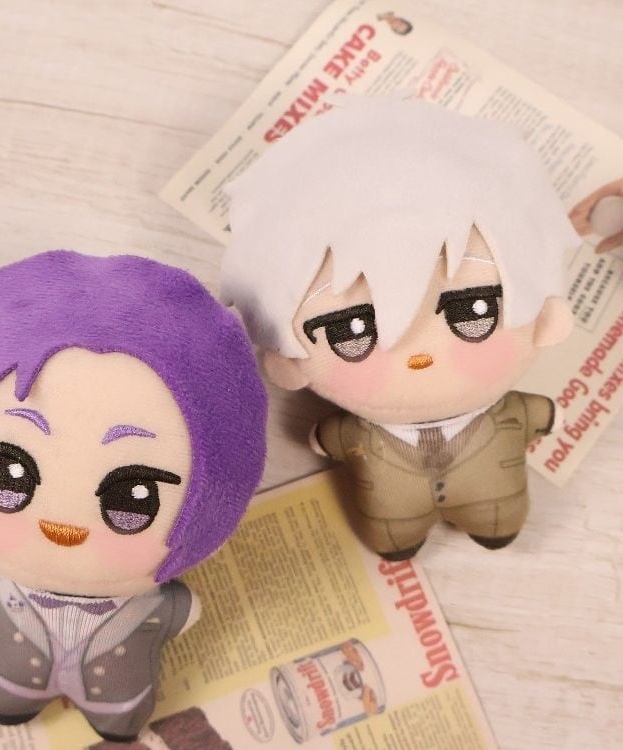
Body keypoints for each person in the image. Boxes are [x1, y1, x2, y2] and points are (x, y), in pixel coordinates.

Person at [0, 250, 267, 742]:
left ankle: (109, 718)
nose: (63, 527)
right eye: (9, 477)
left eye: (133, 499)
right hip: (11, 676)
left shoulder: (153, 601)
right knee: (7, 694)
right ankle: (11, 700)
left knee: (118, 713)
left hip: (117, 697)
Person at [222, 96, 578, 560]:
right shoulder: (358, 434)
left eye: (472, 311)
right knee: (394, 534)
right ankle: (403, 540)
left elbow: (326, 439)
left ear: (547, 320)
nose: (417, 355)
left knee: (496, 518)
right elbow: (329, 438)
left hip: (496, 502)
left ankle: (491, 526)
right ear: (287, 364)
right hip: (392, 518)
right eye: (351, 331)